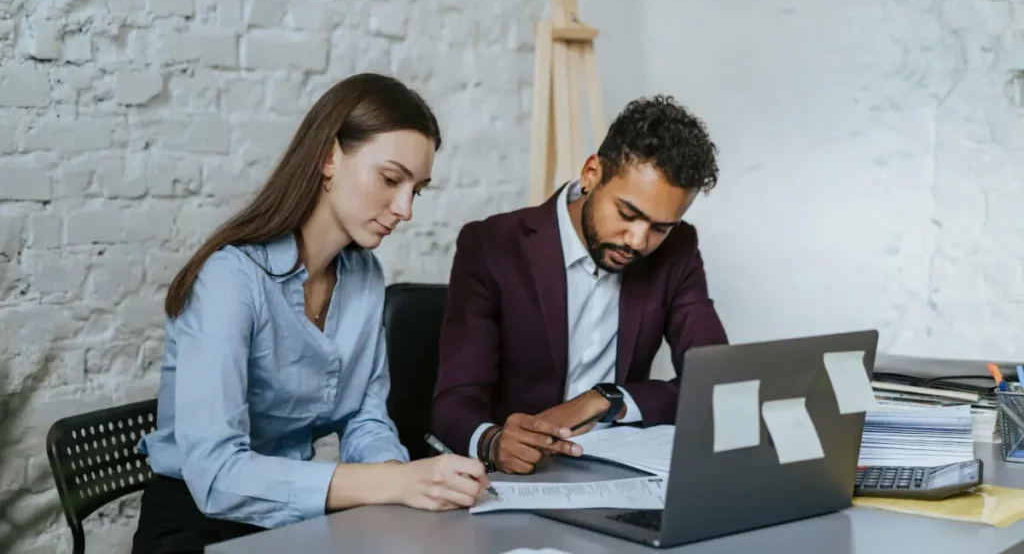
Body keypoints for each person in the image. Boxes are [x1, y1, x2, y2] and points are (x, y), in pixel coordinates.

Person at [131, 73, 491, 553]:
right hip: (196, 525)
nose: (405, 208)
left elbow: (366, 416)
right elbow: (217, 478)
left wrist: (402, 477)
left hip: (291, 522)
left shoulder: (364, 276)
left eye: (416, 190)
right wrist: (394, 485)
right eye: (390, 179)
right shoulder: (229, 280)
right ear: (328, 157)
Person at [431, 95, 730, 474]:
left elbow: (716, 379)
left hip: (617, 469)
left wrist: (608, 399)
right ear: (591, 173)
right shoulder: (492, 245)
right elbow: (453, 401)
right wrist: (492, 442)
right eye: (627, 213)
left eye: (660, 227)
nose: (638, 241)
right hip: (517, 477)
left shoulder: (678, 250)